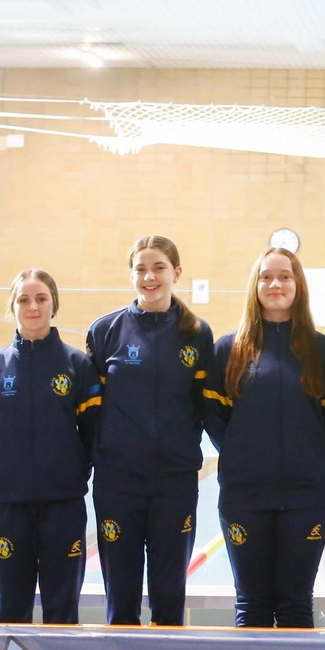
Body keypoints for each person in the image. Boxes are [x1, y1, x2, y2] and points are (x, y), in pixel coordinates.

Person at [204, 247, 325, 627]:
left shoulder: (324, 353)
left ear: (298, 284)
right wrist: (244, 455)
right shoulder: (228, 351)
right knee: (252, 604)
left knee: (295, 605)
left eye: (285, 276)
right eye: (266, 276)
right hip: (244, 497)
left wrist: (311, 457)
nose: (275, 284)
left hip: (305, 497)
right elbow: (216, 418)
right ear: (254, 285)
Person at [87, 235, 214, 626]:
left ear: (176, 273)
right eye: (141, 268)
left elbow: (202, 406)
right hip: (117, 484)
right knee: (120, 600)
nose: (149, 276)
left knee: (169, 595)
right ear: (131, 275)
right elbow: (90, 412)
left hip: (173, 484)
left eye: (158, 267)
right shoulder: (105, 331)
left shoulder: (197, 334)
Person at [0, 270, 100, 624]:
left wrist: (71, 471)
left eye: (41, 298)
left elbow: (91, 433)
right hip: (10, 507)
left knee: (62, 611)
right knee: (12, 611)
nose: (33, 306)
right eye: (24, 299)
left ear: (53, 304)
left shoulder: (77, 366)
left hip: (64, 505)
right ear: (12, 306)